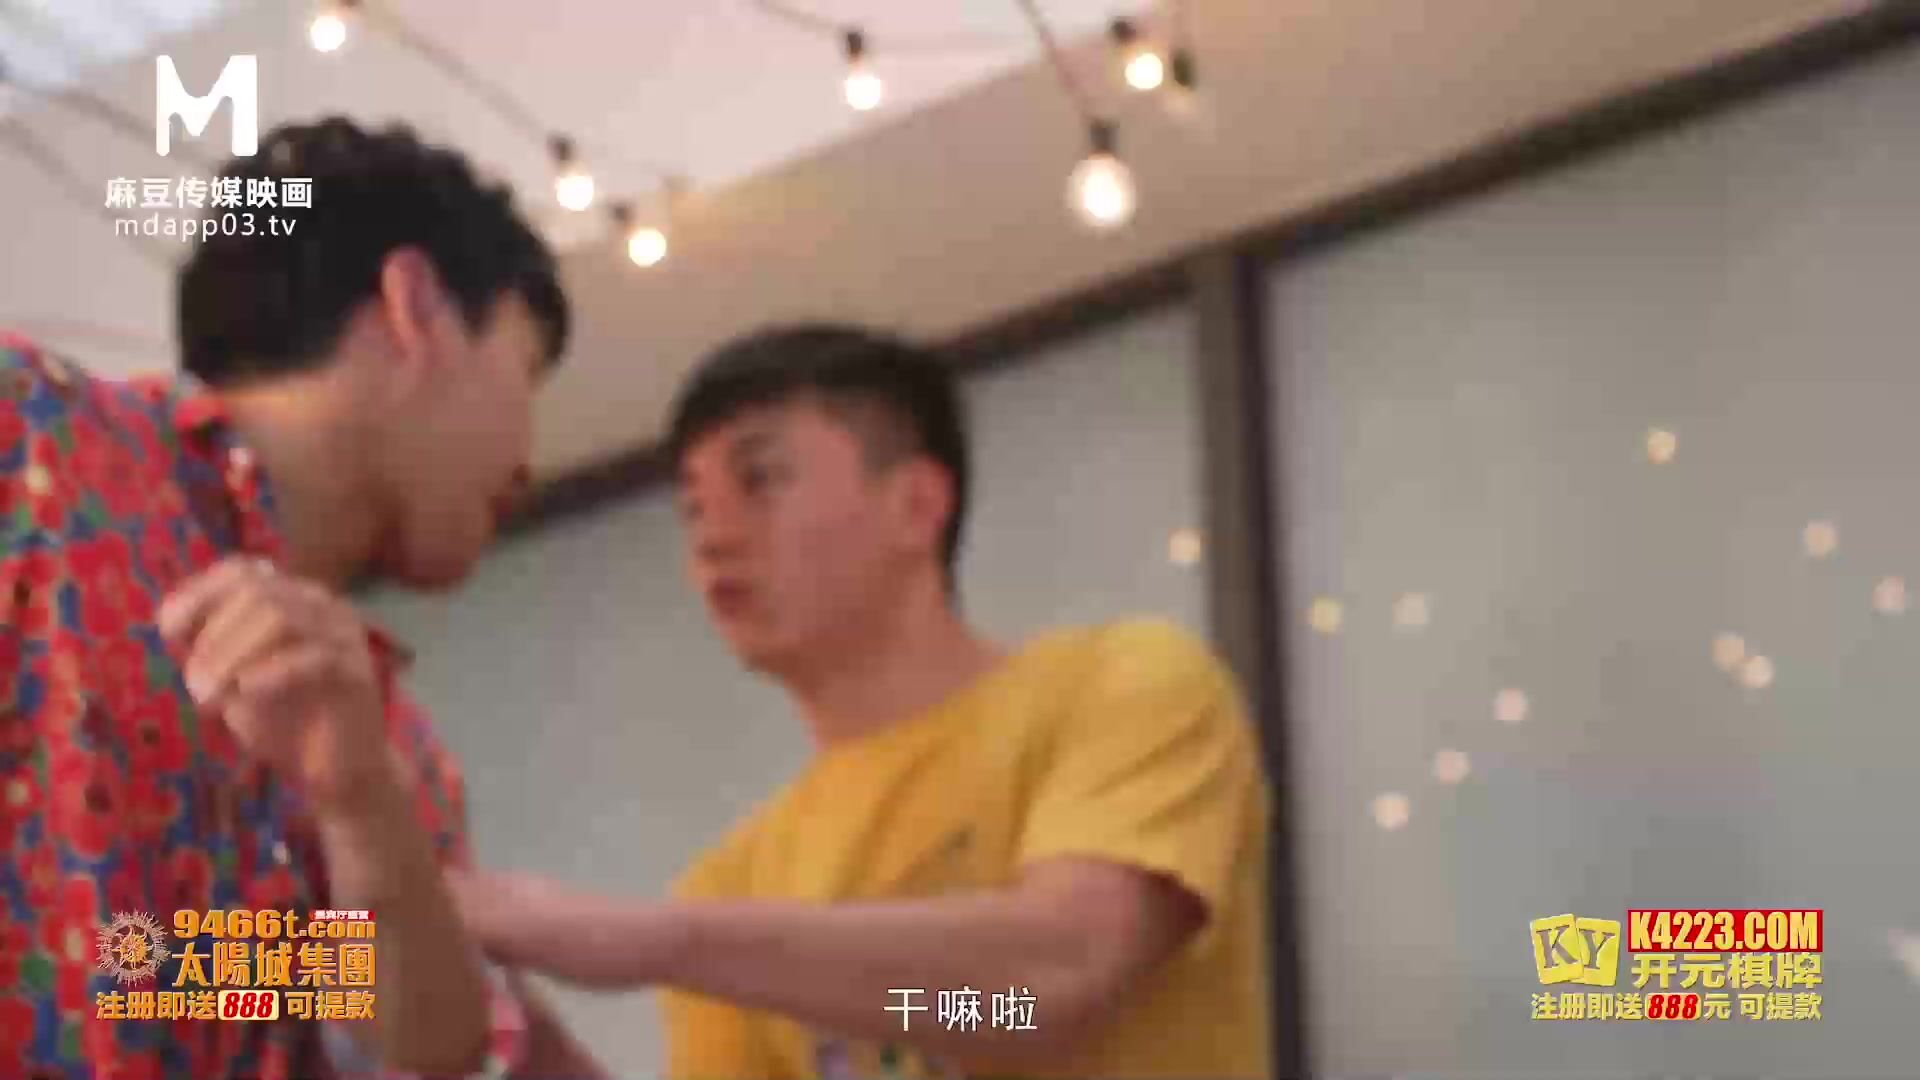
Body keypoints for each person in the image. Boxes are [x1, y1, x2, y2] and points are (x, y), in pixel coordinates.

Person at [450, 324, 1274, 1078]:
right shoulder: (733, 882)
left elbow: (1034, 998)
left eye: (761, 480)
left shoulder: (1124, 684)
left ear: (917, 504)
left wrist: (652, 941)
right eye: (693, 508)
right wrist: (524, 1038)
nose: (710, 538)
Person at [0, 118, 604, 1078]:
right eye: (526, 370)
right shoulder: (28, 438)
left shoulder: (399, 757)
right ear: (416, 305)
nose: (528, 454)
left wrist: (360, 803)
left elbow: (391, 1040)